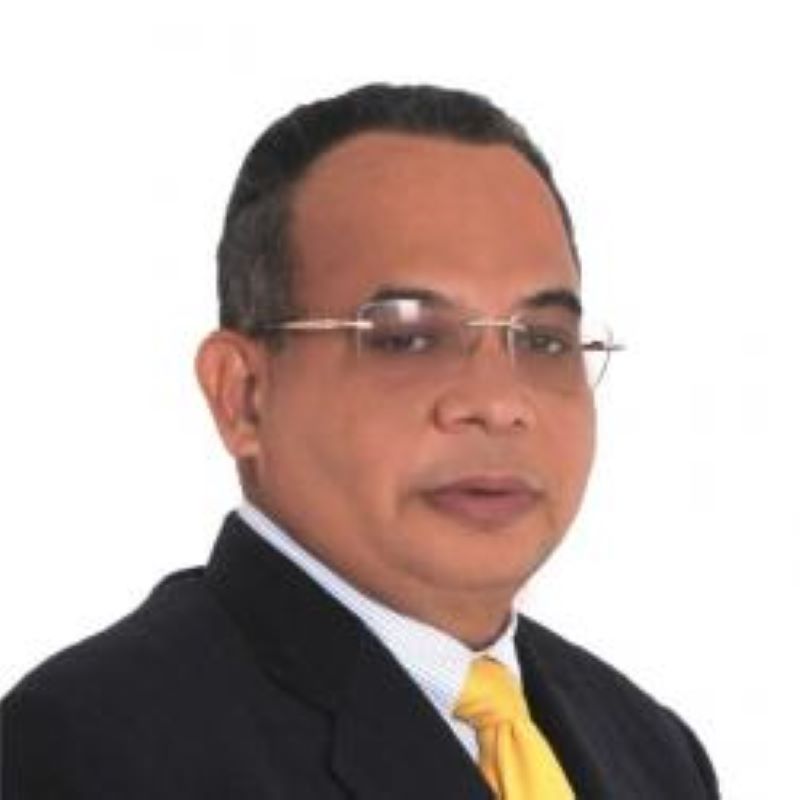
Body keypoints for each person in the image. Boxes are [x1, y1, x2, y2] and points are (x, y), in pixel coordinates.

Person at [1, 84, 719, 799]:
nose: (500, 404)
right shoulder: (89, 751)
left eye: (542, 339)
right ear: (242, 394)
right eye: (409, 338)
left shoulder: (651, 751)